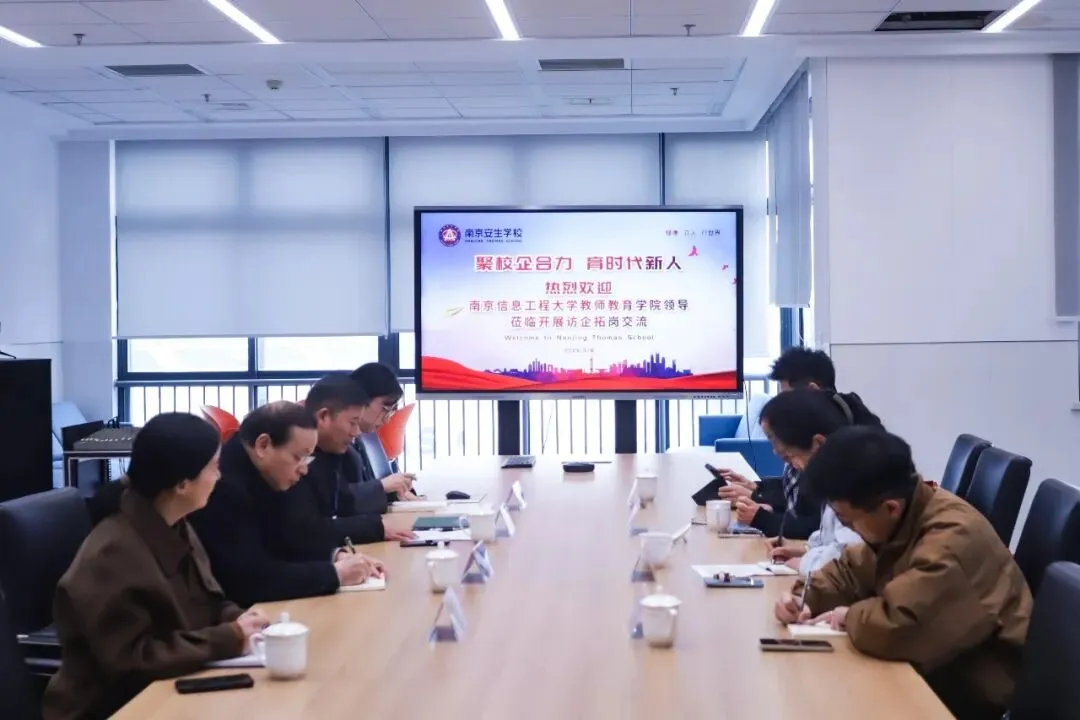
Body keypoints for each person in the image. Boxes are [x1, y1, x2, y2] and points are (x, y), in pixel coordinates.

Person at [774, 427, 1032, 720]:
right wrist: (806, 598)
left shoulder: (950, 541)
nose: (848, 530)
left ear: (890, 508)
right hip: (938, 673)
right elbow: (851, 570)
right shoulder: (905, 517)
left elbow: (899, 628)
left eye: (847, 520)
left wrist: (848, 616)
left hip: (972, 694)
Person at [44, 413, 269, 720]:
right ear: (182, 484)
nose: (219, 476)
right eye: (214, 467)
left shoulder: (173, 522)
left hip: (167, 687)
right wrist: (228, 637)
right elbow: (134, 661)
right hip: (113, 707)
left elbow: (205, 602)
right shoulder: (112, 556)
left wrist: (238, 619)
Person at [189, 402, 381, 608]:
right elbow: (248, 581)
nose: (304, 470)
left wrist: (335, 556)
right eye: (299, 457)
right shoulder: (222, 488)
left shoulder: (263, 471)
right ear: (263, 445)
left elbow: (286, 540)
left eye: (308, 459)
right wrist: (335, 574)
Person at [277, 374, 415, 559]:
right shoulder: (294, 455)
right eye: (353, 423)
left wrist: (336, 554)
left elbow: (342, 503)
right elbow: (306, 530)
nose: (356, 433)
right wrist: (374, 528)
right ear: (324, 416)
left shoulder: (331, 451)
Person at [720, 347, 851, 539]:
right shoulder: (812, 428)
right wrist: (757, 489)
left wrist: (762, 515)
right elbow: (795, 494)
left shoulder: (843, 446)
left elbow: (816, 524)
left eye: (787, 397)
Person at [754, 389, 881, 571]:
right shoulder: (836, 476)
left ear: (818, 444)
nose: (795, 468)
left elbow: (849, 560)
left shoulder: (857, 483)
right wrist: (806, 550)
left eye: (792, 457)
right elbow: (831, 538)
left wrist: (804, 564)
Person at [349, 362, 418, 510]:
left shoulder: (362, 439)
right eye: (386, 409)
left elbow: (364, 494)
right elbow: (340, 500)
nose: (387, 420)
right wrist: (382, 486)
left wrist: (397, 491)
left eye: (391, 411)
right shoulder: (332, 441)